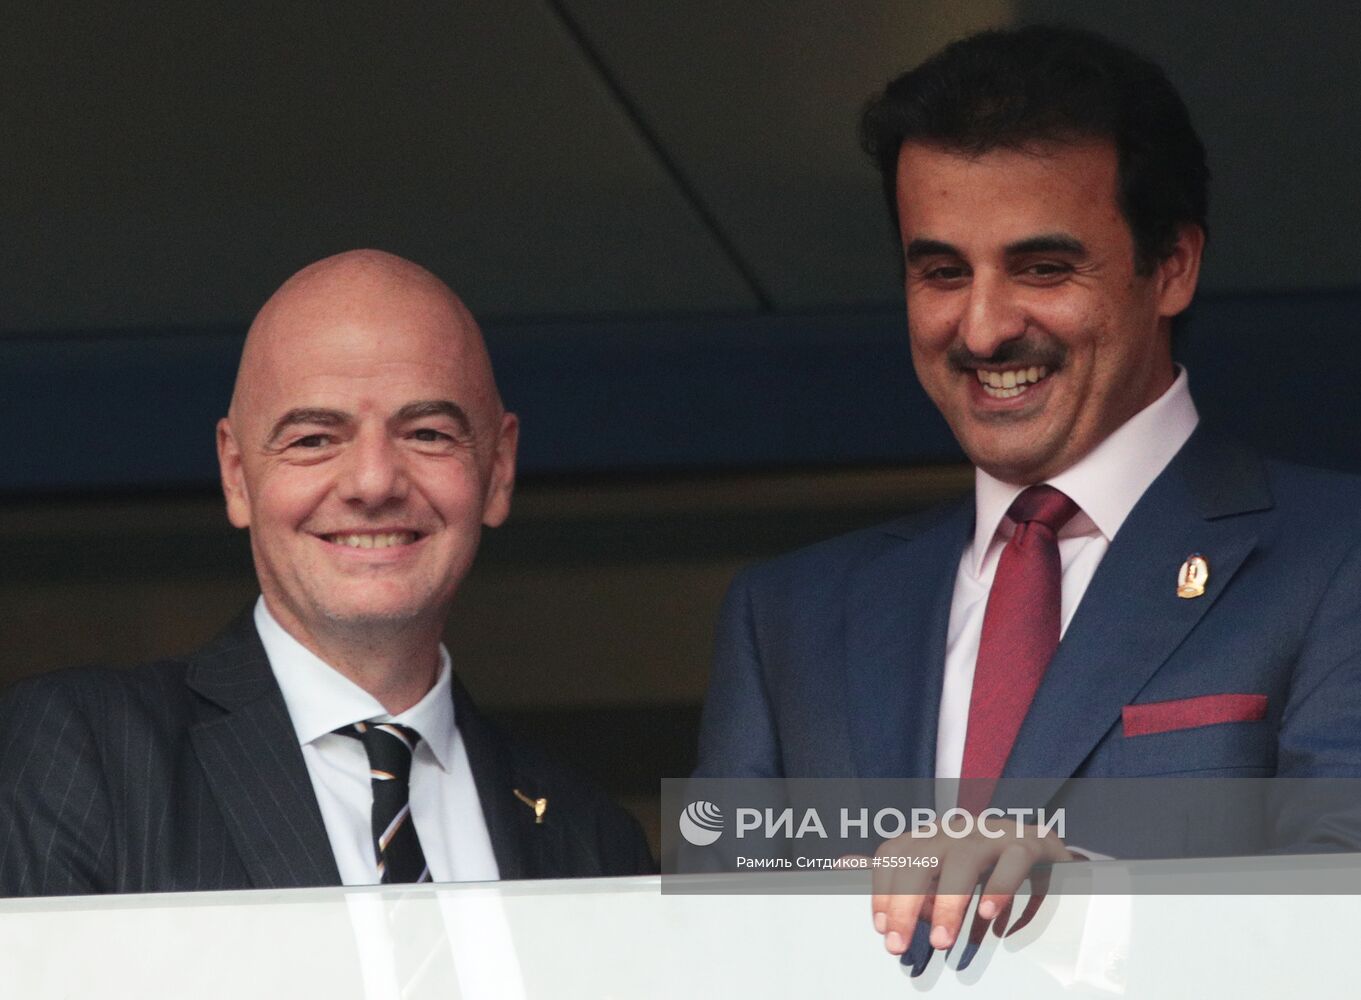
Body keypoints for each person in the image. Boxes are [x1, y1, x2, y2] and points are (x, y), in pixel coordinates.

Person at [694, 25, 1361, 966]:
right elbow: (708, 956)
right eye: (942, 272)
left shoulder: (1336, 560)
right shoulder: (786, 619)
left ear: (1171, 266)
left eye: (1042, 268)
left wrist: (1083, 905)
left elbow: (1344, 916)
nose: (982, 328)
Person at [0, 249, 653, 894]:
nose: (373, 483)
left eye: (426, 433)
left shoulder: (595, 841)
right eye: (314, 439)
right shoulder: (86, 756)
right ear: (237, 476)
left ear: (499, 470)